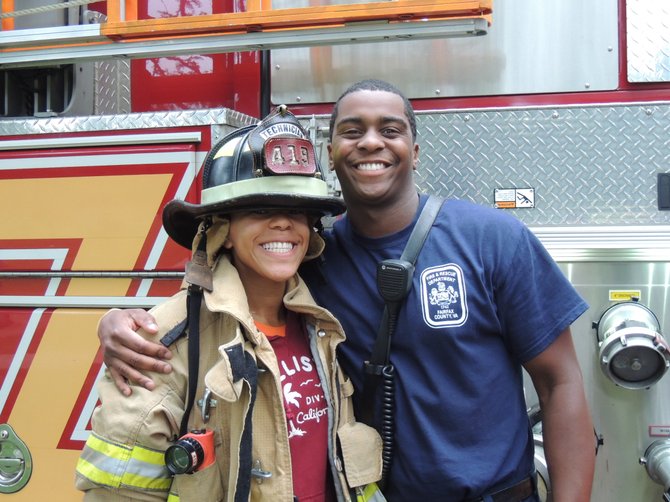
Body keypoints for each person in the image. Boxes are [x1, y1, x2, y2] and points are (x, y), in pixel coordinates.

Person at [97, 80, 596, 501]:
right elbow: (218, 301)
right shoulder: (309, 264)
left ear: (416, 151)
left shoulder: (493, 240)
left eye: (391, 129)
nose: (371, 143)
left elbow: (561, 384)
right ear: (331, 154)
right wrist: (121, 324)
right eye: (351, 132)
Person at [75, 106, 384, 501]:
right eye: (259, 209)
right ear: (222, 230)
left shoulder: (323, 321)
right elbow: (120, 489)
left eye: (296, 211)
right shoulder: (161, 343)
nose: (283, 223)